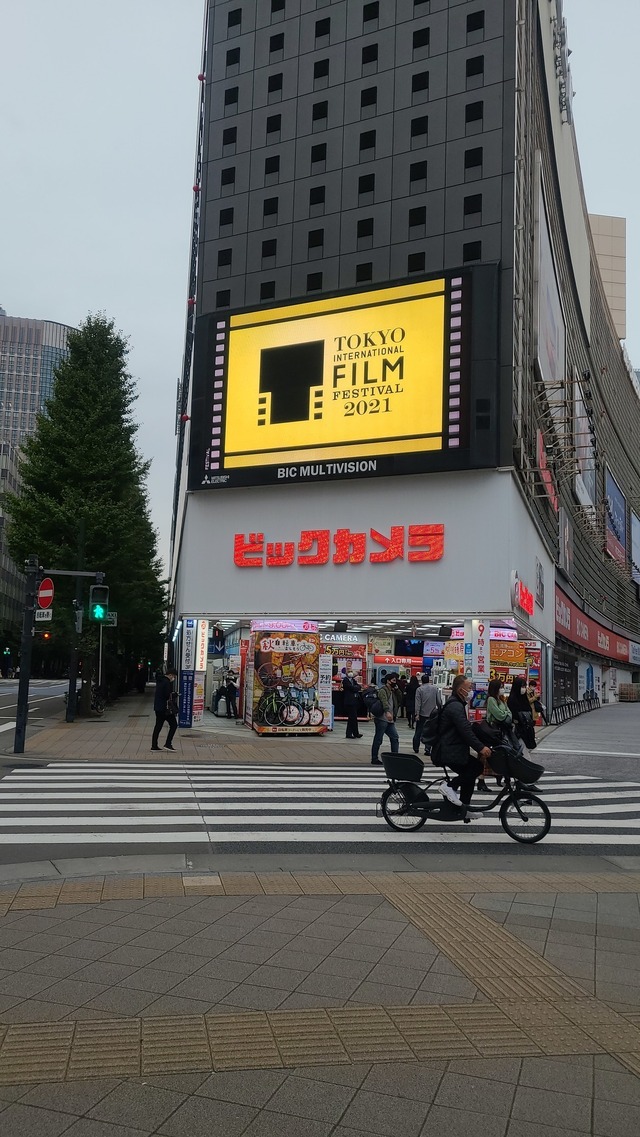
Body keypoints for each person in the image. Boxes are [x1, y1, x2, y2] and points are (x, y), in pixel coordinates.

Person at [438, 674, 492, 809]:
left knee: (470, 773)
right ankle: (450, 786)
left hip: (455, 749)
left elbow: (467, 729)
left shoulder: (457, 704)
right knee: (476, 768)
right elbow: (465, 731)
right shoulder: (455, 706)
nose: (471, 690)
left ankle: (464, 807)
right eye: (469, 687)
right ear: (461, 690)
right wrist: (480, 748)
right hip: (450, 751)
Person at [371, 673, 401, 765]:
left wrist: (397, 690)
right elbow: (384, 702)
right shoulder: (383, 690)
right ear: (388, 681)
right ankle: (374, 758)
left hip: (390, 719)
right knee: (378, 738)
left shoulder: (393, 691)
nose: (395, 682)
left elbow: (400, 699)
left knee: (395, 737)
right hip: (382, 718)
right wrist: (387, 711)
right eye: (393, 681)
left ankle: (394, 757)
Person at [413, 673, 442, 755]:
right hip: (432, 714)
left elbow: (417, 703)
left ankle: (416, 748)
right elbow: (439, 701)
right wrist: (440, 709)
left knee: (418, 731)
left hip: (422, 714)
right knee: (430, 732)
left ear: (421, 681)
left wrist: (417, 713)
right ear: (429, 680)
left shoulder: (419, 689)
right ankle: (427, 749)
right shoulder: (434, 688)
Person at [151, 667, 178, 751]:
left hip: (158, 707)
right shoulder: (166, 682)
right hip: (165, 709)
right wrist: (174, 694)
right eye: (173, 676)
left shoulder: (160, 681)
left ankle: (154, 746)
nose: (173, 678)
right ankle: (168, 744)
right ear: (170, 675)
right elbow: (167, 695)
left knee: (158, 726)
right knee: (174, 725)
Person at [508, 676, 537, 749]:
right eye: (522, 686)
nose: (524, 689)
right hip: (518, 731)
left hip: (528, 730)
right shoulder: (512, 700)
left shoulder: (524, 698)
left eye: (524, 686)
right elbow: (513, 715)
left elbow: (529, 709)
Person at [342, 671, 362, 739]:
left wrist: (356, 687)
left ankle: (351, 733)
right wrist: (355, 688)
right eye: (349, 672)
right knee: (353, 718)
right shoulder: (345, 680)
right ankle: (355, 733)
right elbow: (352, 688)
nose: (351, 673)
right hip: (349, 702)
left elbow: (359, 686)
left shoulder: (353, 680)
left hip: (355, 701)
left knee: (352, 718)